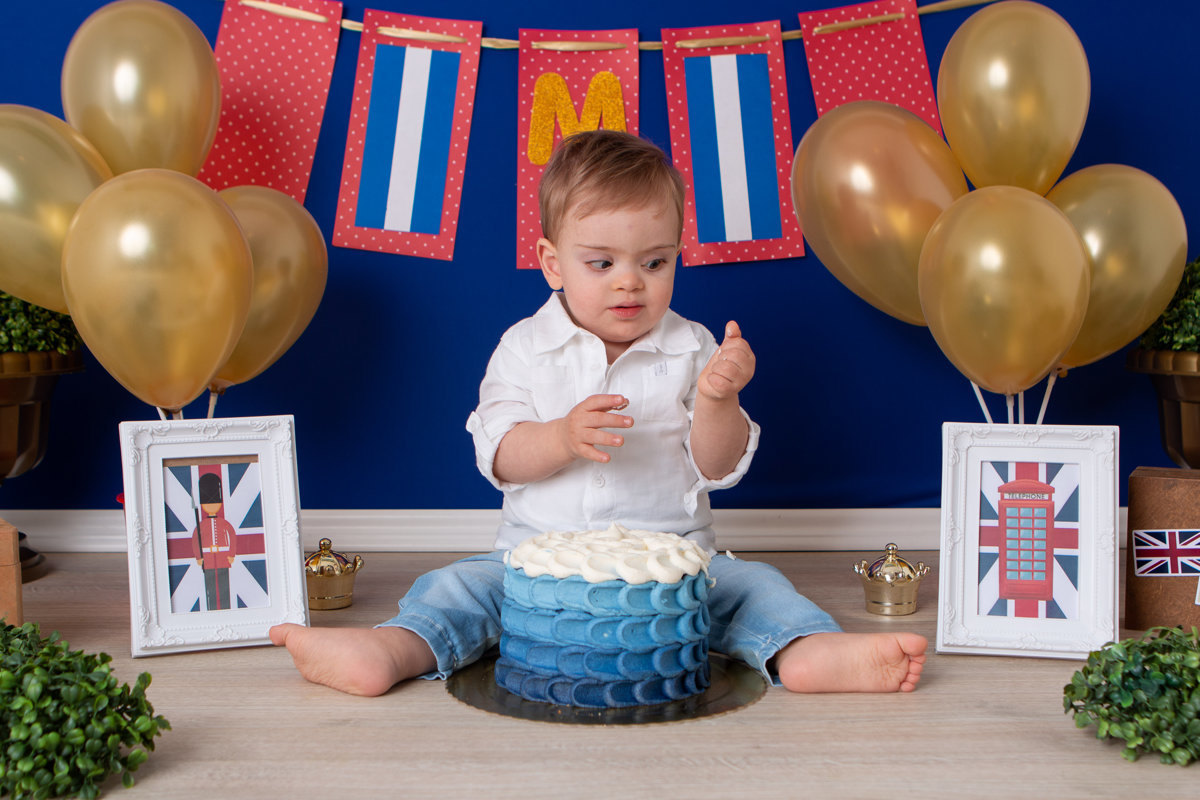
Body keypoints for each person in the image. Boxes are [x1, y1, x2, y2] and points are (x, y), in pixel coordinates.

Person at [270, 130, 926, 697]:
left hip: (678, 566)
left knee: (755, 586)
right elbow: (500, 455)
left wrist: (718, 400)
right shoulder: (524, 347)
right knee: (455, 588)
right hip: (532, 565)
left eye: (654, 261)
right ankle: (392, 649)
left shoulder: (693, 347)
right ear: (553, 263)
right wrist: (560, 437)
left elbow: (717, 466)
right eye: (602, 262)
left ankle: (805, 649)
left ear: (677, 255)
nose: (629, 281)